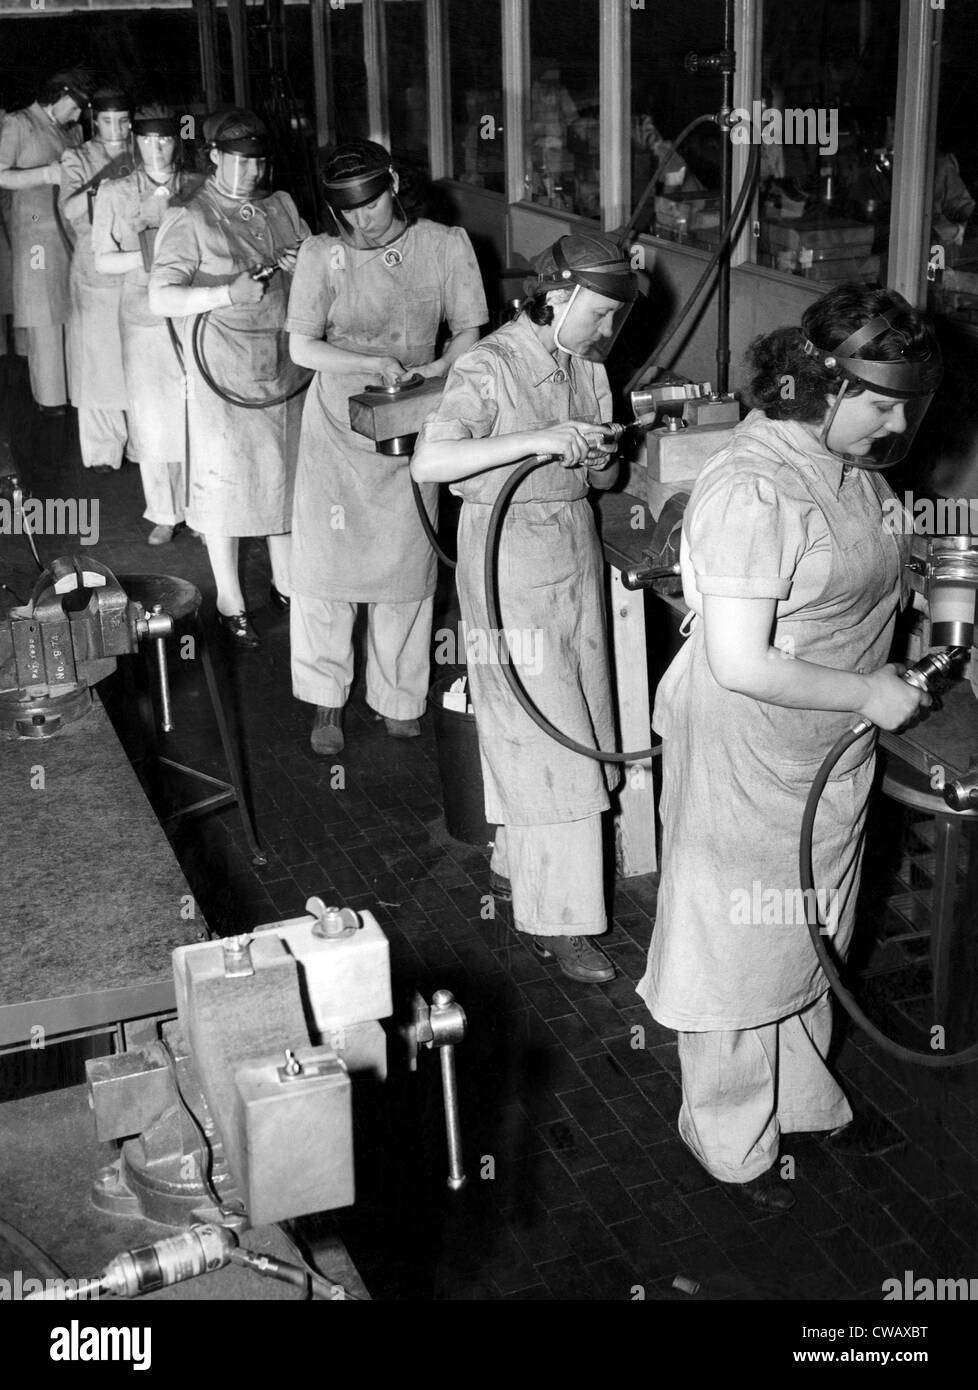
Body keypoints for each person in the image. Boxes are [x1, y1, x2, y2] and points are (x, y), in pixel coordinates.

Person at [635, 284, 942, 1211]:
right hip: (749, 748)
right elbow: (738, 661)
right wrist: (870, 692)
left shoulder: (852, 468)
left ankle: (799, 1096)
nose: (894, 424)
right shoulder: (753, 485)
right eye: (880, 402)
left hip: (829, 748)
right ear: (818, 385)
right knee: (737, 943)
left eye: (905, 405)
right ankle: (727, 1134)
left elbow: (871, 564)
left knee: (808, 928)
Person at [411, 233, 639, 985]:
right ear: (559, 296)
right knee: (549, 739)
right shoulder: (489, 365)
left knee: (582, 719)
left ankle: (520, 862)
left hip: (571, 547)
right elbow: (432, 463)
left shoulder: (592, 369)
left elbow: (603, 483)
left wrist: (600, 458)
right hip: (506, 552)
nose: (607, 331)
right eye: (599, 314)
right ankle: (558, 923)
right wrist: (539, 438)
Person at [286, 140, 487, 753]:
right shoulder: (323, 255)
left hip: (413, 416)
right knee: (326, 569)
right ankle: (326, 699)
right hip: (336, 426)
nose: (360, 222)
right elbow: (302, 348)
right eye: (347, 211)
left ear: (394, 183)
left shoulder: (445, 245)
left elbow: (469, 335)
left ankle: (398, 696)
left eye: (370, 205)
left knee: (406, 562)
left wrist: (429, 375)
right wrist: (369, 360)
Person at [148, 110, 309, 645]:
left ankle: (288, 584)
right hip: (224, 368)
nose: (250, 172)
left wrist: (300, 258)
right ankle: (230, 598)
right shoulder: (189, 217)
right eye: (239, 161)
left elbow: (317, 259)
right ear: (214, 156)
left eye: (259, 161)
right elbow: (161, 296)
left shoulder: (281, 205)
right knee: (226, 484)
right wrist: (225, 293)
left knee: (284, 476)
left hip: (284, 364)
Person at [93, 103, 205, 543]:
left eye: (164, 138)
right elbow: (102, 260)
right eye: (146, 139)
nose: (156, 148)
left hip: (193, 313)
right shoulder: (115, 192)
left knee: (197, 412)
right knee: (153, 418)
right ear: (135, 143)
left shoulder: (199, 186)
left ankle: (200, 508)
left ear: (177, 140)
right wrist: (151, 256)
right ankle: (164, 511)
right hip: (142, 318)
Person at [0, 71, 87, 414]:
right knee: (43, 309)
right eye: (76, 107)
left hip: (67, 229)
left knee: (68, 308)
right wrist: (45, 174)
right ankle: (49, 397)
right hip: (35, 230)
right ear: (60, 95)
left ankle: (73, 391)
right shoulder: (19, 124)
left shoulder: (69, 130)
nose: (78, 115)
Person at [59, 89, 133, 473]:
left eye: (123, 120)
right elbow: (70, 209)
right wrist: (109, 174)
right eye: (107, 121)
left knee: (135, 358)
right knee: (99, 362)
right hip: (94, 271)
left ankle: (139, 441)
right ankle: (104, 450)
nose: (116, 129)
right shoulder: (77, 157)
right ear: (93, 120)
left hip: (135, 267)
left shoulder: (146, 151)